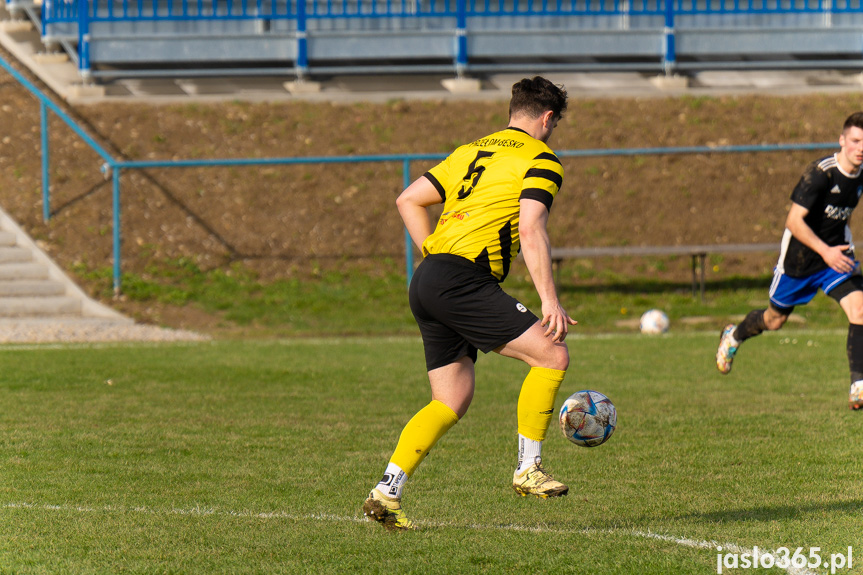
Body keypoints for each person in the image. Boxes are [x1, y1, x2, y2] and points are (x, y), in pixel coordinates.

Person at [362, 76, 574, 531]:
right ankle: (528, 469)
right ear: (547, 118)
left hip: (429, 278)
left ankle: (387, 491)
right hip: (462, 279)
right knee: (552, 353)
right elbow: (532, 228)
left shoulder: (470, 150)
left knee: (451, 398)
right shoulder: (541, 158)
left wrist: (432, 256)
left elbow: (408, 200)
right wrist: (550, 302)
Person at [716, 111, 863, 410]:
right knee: (775, 320)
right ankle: (734, 335)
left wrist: (839, 248)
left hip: (835, 258)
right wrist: (826, 251)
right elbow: (794, 222)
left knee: (860, 309)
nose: (861, 148)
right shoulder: (820, 174)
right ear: (842, 141)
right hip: (800, 259)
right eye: (856, 141)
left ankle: (858, 386)